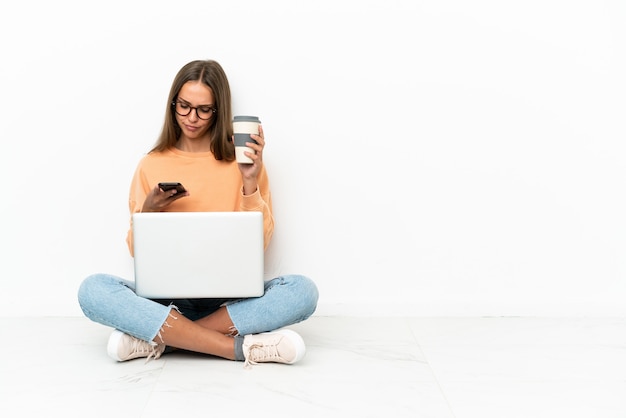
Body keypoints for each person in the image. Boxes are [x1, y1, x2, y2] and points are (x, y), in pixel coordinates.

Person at [77, 59, 319, 367]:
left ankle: (161, 339)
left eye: (204, 109)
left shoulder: (243, 163)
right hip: (166, 302)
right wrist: (149, 211)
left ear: (218, 110)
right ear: (172, 104)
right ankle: (236, 348)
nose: (192, 118)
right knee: (93, 290)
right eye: (184, 106)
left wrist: (249, 181)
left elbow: (259, 244)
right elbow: (138, 252)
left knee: (302, 291)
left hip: (229, 303)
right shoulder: (151, 165)